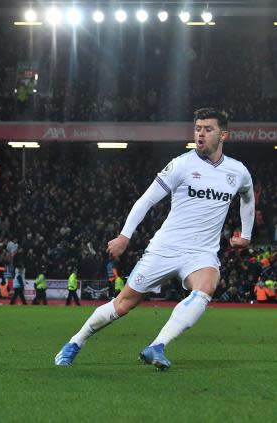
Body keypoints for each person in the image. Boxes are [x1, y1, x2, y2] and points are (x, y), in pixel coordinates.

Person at [55, 108, 254, 370]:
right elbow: (146, 200)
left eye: (208, 129)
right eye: (197, 128)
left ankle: (157, 346)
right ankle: (75, 342)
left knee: (207, 286)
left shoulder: (237, 171)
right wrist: (124, 236)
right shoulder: (181, 164)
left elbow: (248, 198)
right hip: (165, 248)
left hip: (202, 252)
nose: (201, 134)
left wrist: (247, 235)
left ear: (223, 135)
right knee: (122, 305)